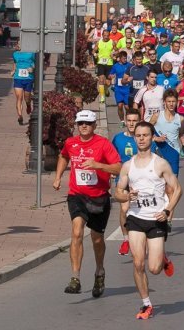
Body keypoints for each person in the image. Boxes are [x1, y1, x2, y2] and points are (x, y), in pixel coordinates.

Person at [114, 121, 182, 320]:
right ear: (134, 138)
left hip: (156, 218)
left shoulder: (160, 164)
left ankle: (162, 258)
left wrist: (168, 210)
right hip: (135, 217)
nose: (142, 139)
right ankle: (146, 304)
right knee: (137, 263)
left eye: (145, 135)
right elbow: (117, 192)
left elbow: (177, 189)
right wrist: (127, 196)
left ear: (152, 138)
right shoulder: (128, 166)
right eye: (138, 135)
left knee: (154, 268)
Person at [53, 110, 122, 296]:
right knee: (76, 232)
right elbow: (63, 156)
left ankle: (99, 271)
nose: (83, 126)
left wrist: (99, 165)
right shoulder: (71, 142)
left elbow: (118, 167)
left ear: (94, 126)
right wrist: (58, 177)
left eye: (87, 123)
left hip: (99, 197)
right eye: (80, 123)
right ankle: (75, 278)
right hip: (77, 195)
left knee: (97, 238)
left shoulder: (103, 144)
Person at [111, 110, 141, 256]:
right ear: (125, 121)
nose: (131, 123)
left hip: (140, 181)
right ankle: (125, 239)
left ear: (139, 121)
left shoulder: (143, 139)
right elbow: (111, 156)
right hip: (123, 179)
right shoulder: (118, 138)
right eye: (129, 120)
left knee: (141, 212)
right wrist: (111, 170)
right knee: (124, 210)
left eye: (134, 120)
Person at [150, 89, 184, 176]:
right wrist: (155, 138)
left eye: (173, 101)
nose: (171, 104)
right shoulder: (156, 116)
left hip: (174, 152)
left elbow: (181, 134)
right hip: (159, 152)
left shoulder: (181, 119)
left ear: (177, 102)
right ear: (164, 102)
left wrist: (183, 140)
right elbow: (146, 132)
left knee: (173, 185)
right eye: (169, 101)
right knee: (160, 184)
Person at [11, 42, 34, 125]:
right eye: (19, 43)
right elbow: (15, 63)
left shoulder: (32, 53)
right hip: (18, 78)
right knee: (19, 97)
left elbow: (36, 63)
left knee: (27, 98)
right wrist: (13, 70)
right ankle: (20, 116)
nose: (20, 45)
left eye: (21, 43)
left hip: (28, 78)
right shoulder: (15, 54)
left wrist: (32, 68)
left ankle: (28, 105)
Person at [109, 51, 132, 121]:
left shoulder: (130, 65)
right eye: (123, 58)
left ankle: (128, 120)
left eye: (126, 58)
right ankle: (122, 121)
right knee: (120, 106)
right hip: (118, 89)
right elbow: (110, 75)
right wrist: (111, 76)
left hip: (127, 89)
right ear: (120, 58)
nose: (125, 60)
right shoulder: (115, 66)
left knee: (127, 107)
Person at [95, 31, 116, 104]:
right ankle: (102, 96)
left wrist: (114, 53)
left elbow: (116, 51)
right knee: (101, 79)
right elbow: (94, 50)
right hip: (100, 63)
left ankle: (106, 90)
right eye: (105, 35)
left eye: (107, 35)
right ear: (102, 35)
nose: (106, 37)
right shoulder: (99, 42)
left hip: (109, 63)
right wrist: (95, 54)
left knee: (108, 83)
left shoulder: (112, 42)